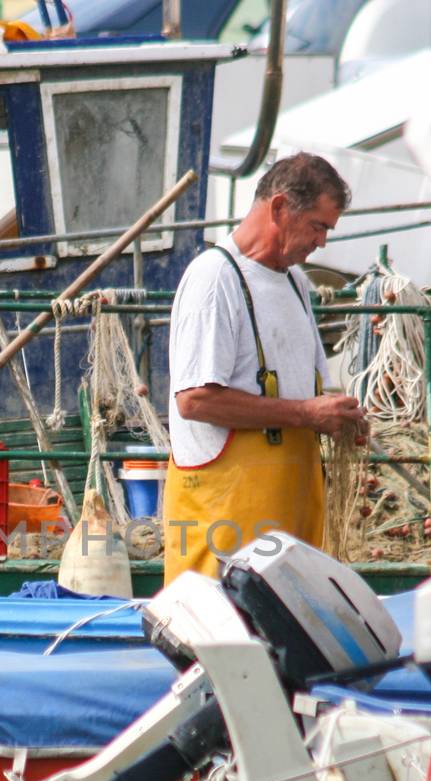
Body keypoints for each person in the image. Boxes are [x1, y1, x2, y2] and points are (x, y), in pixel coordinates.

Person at [161, 152, 368, 583]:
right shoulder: (215, 279)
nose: (323, 242)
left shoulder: (296, 283)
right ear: (278, 208)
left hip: (290, 533)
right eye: (318, 226)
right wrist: (306, 414)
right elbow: (195, 400)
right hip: (224, 541)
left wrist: (339, 412)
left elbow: (313, 392)